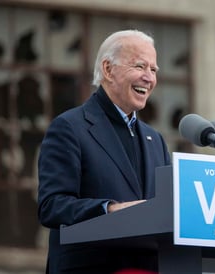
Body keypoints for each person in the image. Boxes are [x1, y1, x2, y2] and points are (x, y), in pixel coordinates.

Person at [37, 30, 171, 274]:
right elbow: (52, 206)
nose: (148, 78)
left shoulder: (156, 140)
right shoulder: (70, 128)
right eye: (140, 66)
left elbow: (164, 211)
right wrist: (109, 209)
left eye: (153, 70)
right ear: (108, 70)